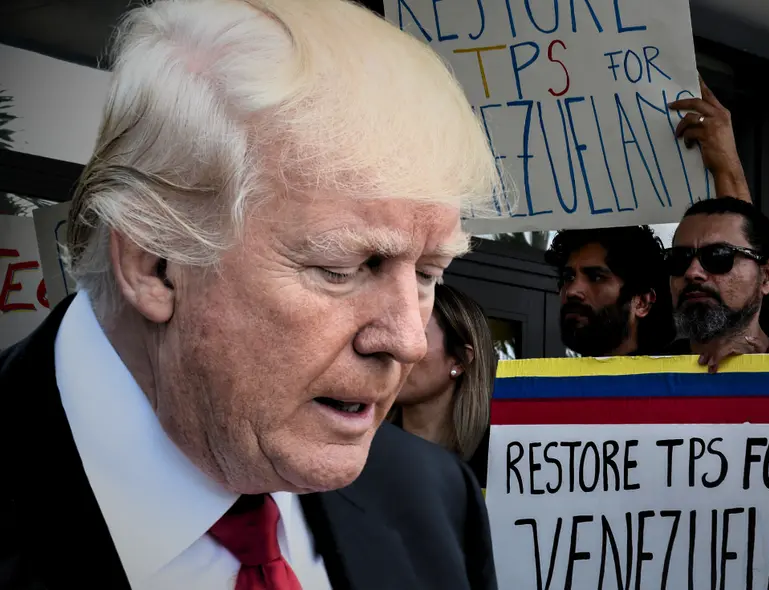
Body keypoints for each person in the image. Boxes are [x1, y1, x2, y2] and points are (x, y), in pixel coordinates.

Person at [0, 1, 502, 589]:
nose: (409, 340)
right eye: (340, 268)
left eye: (427, 273)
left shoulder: (434, 499)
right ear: (154, 265)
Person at [665, 196, 769, 371]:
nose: (692, 273)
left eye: (718, 256)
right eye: (679, 259)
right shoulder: (646, 375)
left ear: (767, 276)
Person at [393, 283, 496, 487]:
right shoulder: (362, 448)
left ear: (460, 361)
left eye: (416, 337)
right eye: (394, 335)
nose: (396, 349)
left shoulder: (496, 461)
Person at [545, 225, 674, 357]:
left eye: (596, 277)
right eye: (568, 277)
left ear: (642, 302)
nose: (571, 291)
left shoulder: (672, 369)